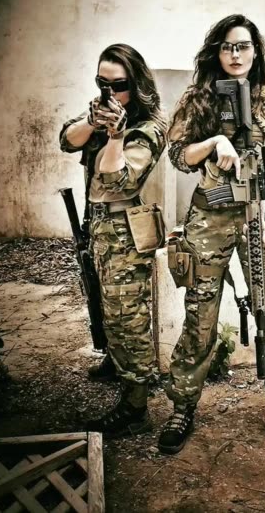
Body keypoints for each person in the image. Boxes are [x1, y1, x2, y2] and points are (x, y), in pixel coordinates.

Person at [158, 14, 265, 454]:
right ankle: (183, 404)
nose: (236, 54)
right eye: (227, 46)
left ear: (255, 52)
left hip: (259, 217)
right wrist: (214, 144)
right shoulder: (198, 100)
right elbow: (178, 156)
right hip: (210, 219)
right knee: (200, 315)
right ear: (216, 52)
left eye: (243, 46)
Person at [59, 43, 166, 436]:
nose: (109, 93)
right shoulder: (100, 111)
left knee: (128, 317)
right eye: (101, 83)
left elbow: (116, 180)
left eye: (117, 85)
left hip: (127, 233)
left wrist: (117, 136)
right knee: (105, 305)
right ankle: (115, 361)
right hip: (98, 227)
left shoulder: (150, 127)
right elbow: (66, 139)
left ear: (135, 85)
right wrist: (92, 122)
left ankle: (136, 405)